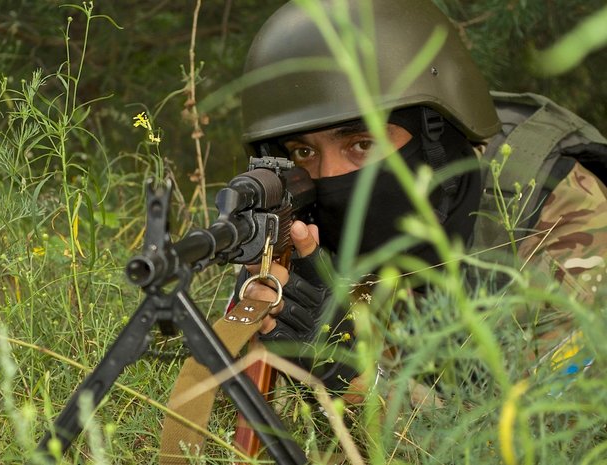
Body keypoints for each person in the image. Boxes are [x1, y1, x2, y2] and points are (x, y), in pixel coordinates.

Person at [236, 0, 607, 400]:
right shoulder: (305, 219)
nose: (330, 177)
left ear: (436, 138)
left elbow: (542, 443)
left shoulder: (560, 218)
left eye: (362, 143)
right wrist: (264, 321)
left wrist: (352, 380)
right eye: (304, 152)